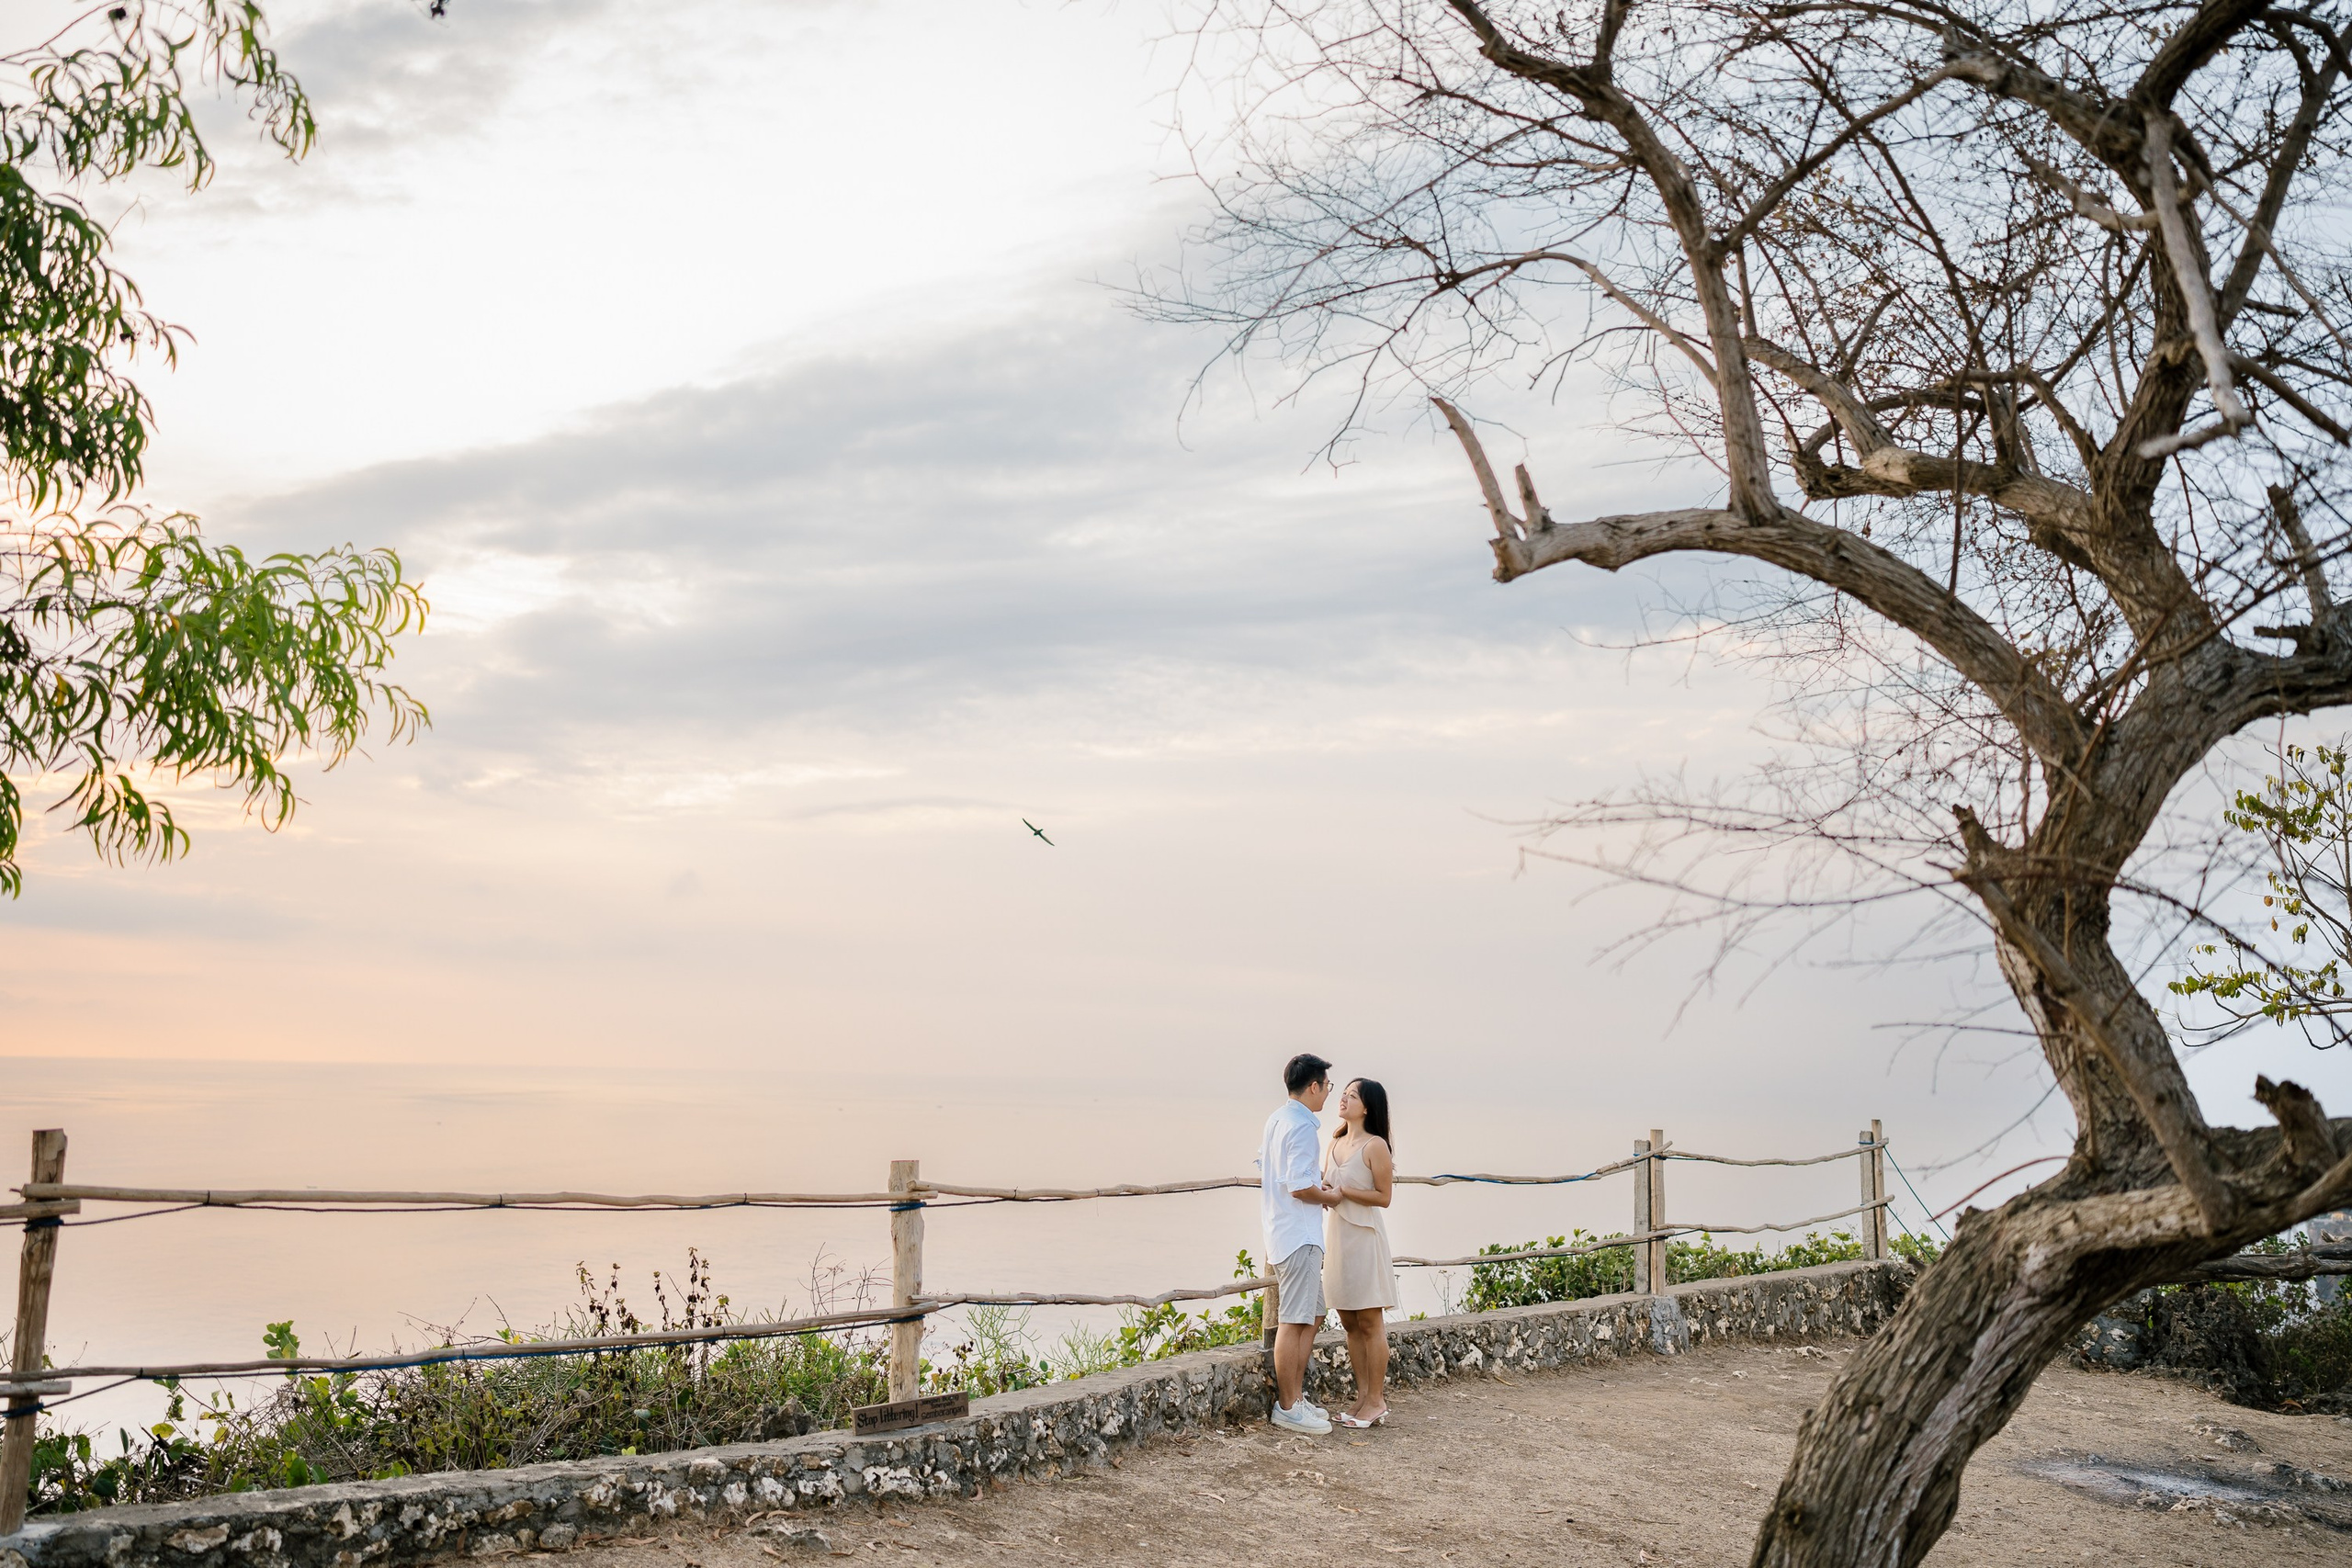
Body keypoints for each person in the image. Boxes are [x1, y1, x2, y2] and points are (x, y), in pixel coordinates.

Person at [1259, 1052, 1341, 1434]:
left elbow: (1276, 1172)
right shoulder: (1305, 1127)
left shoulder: (1277, 1119)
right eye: (1327, 1085)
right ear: (1313, 1086)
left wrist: (1314, 1186)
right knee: (1293, 1320)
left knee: (1315, 1311)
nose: (1328, 1092)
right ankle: (1288, 1406)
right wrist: (1331, 1196)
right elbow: (1299, 1187)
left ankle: (1296, 1397)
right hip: (1299, 1234)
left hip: (1281, 1230)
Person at [1323, 1077, 1397, 1427]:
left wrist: (1344, 1191)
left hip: (1364, 1238)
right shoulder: (1335, 1142)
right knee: (1350, 1322)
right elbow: (1329, 1186)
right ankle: (1362, 1396)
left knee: (1370, 1321)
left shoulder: (1375, 1145)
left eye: (1352, 1095)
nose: (1343, 1098)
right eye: (1343, 1093)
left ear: (1366, 1106)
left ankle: (1377, 1400)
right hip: (1338, 1238)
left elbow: (1383, 1197)